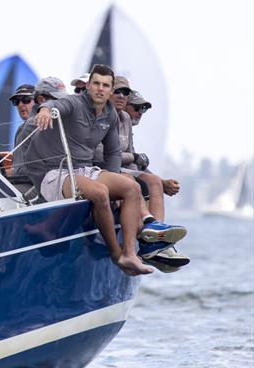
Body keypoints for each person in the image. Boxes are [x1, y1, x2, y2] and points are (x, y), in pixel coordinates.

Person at [26, 64, 184, 276]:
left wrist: (114, 180)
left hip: (86, 170)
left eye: (106, 85)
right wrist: (45, 110)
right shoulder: (74, 103)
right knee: (100, 193)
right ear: (89, 86)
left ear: (110, 90)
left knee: (131, 187)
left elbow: (112, 154)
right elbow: (58, 103)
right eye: (96, 84)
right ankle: (117, 254)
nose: (100, 89)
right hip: (56, 172)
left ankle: (130, 253)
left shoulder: (110, 114)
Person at [123, 90, 189, 271]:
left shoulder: (126, 128)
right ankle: (150, 236)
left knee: (153, 182)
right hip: (112, 174)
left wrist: (163, 181)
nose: (139, 113)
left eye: (143, 109)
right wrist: (135, 157)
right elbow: (112, 158)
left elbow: (137, 167)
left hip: (126, 173)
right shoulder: (112, 122)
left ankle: (158, 240)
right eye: (136, 108)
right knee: (131, 185)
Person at [11, 77, 68, 177]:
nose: (20, 105)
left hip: (37, 184)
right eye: (16, 101)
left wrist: (9, 172)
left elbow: (22, 170)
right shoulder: (20, 130)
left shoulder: (32, 126)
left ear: (39, 101)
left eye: (26, 100)